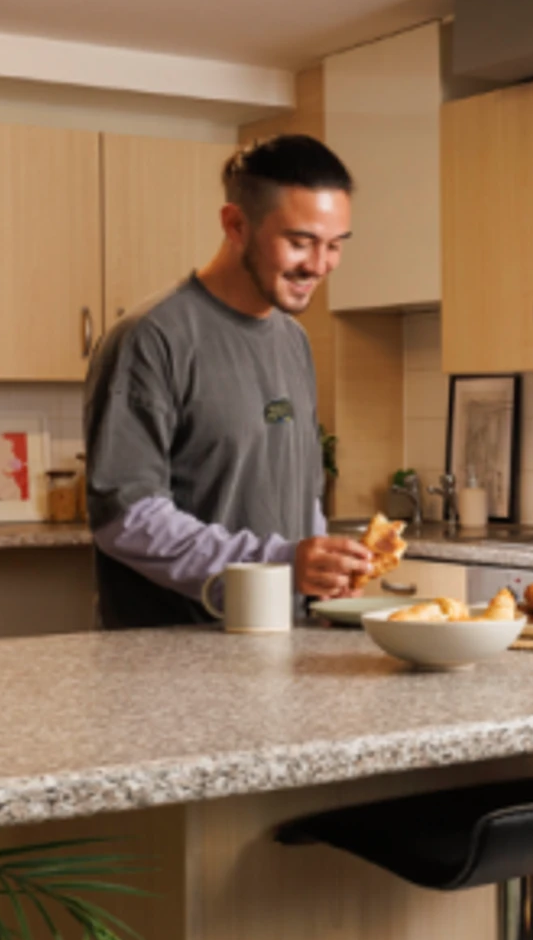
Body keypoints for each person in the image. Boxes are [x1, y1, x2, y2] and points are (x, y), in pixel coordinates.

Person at [84, 135, 373, 628]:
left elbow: (300, 496)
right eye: (300, 242)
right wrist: (280, 562)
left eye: (334, 245)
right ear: (235, 224)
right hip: (170, 661)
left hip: (280, 645)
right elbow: (126, 518)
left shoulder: (294, 341)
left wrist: (321, 572)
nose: (320, 265)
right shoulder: (151, 338)